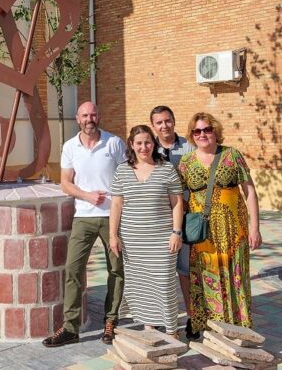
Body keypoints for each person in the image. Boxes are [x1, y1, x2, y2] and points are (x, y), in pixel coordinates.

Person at [43, 101, 127, 348]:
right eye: (85, 115)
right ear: (77, 118)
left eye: (93, 114)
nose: (89, 119)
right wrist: (88, 196)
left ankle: (111, 322)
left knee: (116, 270)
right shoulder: (70, 147)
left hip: (113, 216)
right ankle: (70, 328)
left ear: (98, 116)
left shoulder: (113, 143)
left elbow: (126, 176)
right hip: (83, 216)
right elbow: (65, 183)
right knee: (73, 269)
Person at [177, 112, 262, 338]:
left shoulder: (231, 155)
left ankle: (237, 327)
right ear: (192, 135)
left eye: (207, 130)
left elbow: (249, 191)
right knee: (205, 276)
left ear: (215, 131)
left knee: (234, 277)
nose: (203, 134)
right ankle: (206, 326)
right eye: (197, 131)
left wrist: (255, 227)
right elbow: (176, 197)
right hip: (203, 234)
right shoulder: (185, 163)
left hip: (234, 230)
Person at [109, 125, 184, 335]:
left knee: (164, 284)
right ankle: (149, 328)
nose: (144, 147)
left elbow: (177, 203)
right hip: (133, 240)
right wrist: (112, 235)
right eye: (139, 143)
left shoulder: (167, 168)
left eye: (148, 142)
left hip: (162, 239)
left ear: (154, 144)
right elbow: (116, 205)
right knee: (141, 285)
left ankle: (171, 331)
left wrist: (176, 232)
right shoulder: (122, 170)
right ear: (131, 145)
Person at [150, 105, 194, 332]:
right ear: (153, 126)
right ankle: (159, 318)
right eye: (159, 122)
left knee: (185, 271)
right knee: (160, 271)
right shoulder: (149, 148)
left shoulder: (188, 147)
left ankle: (192, 317)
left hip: (184, 217)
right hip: (158, 220)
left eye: (167, 121)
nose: (164, 126)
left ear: (174, 121)